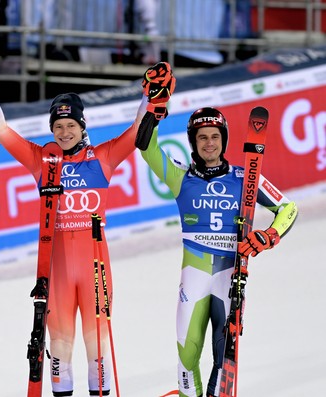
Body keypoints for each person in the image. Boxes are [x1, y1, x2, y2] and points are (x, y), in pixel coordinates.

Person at [0, 64, 167, 396]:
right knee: (59, 347)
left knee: (98, 346)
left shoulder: (102, 158)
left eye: (70, 125)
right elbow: (1, 131)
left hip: (94, 266)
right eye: (58, 127)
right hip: (57, 269)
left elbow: (135, 131)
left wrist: (150, 94)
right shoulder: (42, 160)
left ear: (82, 127)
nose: (64, 132)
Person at [136, 62, 298, 397]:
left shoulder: (245, 178)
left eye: (215, 137)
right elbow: (146, 146)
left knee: (224, 361)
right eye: (202, 138)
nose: (209, 144)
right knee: (186, 357)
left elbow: (288, 209)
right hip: (193, 279)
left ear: (223, 140)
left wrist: (267, 237)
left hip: (229, 277)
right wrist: (151, 103)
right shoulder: (181, 177)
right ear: (193, 142)